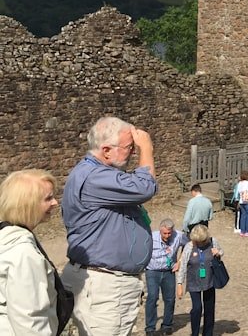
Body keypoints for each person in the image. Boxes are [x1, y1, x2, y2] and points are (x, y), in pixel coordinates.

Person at [61, 116, 158, 336]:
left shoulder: (100, 175)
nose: (133, 152)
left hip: (108, 286)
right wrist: (147, 150)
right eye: (129, 147)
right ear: (106, 150)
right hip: (104, 288)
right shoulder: (95, 177)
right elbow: (145, 187)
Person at [0, 169, 70, 335]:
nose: (55, 203)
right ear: (27, 203)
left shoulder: (6, 235)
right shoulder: (23, 252)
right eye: (48, 198)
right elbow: (30, 318)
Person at [175, 225, 222, 336]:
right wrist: (179, 283)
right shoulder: (189, 246)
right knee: (197, 308)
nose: (200, 244)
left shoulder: (213, 242)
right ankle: (194, 332)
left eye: (202, 241)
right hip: (194, 282)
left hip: (209, 281)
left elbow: (221, 252)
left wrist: (218, 253)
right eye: (198, 241)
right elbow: (183, 266)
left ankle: (208, 333)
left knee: (209, 309)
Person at [144, 219, 184, 336]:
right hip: (152, 271)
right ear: (160, 230)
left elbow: (189, 245)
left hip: (169, 271)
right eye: (164, 233)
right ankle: (150, 328)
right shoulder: (151, 237)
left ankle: (167, 325)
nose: (167, 236)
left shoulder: (179, 236)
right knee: (152, 297)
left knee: (170, 299)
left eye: (169, 233)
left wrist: (180, 261)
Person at [236, 171, 248, 237]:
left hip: (241, 201)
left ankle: (242, 231)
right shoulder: (247, 183)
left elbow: (238, 191)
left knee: (243, 216)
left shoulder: (239, 183)